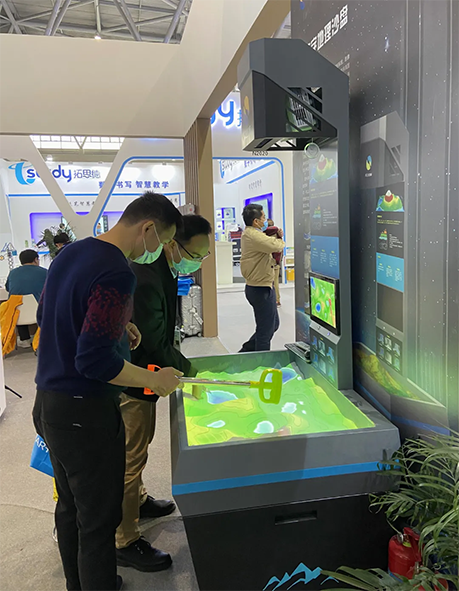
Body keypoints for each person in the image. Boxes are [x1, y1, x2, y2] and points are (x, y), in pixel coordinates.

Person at [32, 192, 184, 591]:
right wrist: (152, 378)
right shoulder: (117, 271)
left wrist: (118, 327)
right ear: (148, 228)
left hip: (48, 403)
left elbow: (48, 314)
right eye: (164, 240)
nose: (160, 250)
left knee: (70, 507)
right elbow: (95, 362)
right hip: (85, 415)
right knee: (98, 522)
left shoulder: (71, 252)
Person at [115, 214, 212, 572]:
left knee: (140, 447)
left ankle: (138, 502)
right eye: (195, 255)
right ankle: (124, 539)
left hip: (149, 375)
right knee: (130, 458)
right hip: (134, 379)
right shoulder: (145, 277)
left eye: (204, 256)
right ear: (172, 244)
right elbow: (153, 342)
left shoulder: (164, 269)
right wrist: (193, 373)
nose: (198, 262)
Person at [239, 204, 285, 352]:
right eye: (263, 217)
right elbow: (275, 246)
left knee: (273, 325)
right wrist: (280, 239)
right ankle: (261, 361)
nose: (265, 220)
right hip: (259, 289)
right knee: (265, 332)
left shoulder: (253, 234)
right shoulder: (253, 235)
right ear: (256, 221)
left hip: (264, 286)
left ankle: (245, 352)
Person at [5, 249, 47, 347]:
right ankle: (42, 338)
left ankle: (24, 339)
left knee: (18, 304)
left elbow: (8, 288)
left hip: (16, 315)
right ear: (36, 259)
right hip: (39, 312)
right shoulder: (44, 272)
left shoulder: (13, 273)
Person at [264, 219, 283, 307]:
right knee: (275, 282)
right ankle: (277, 300)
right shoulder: (278, 234)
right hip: (276, 262)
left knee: (270, 283)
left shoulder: (265, 235)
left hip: (268, 262)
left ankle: (273, 300)